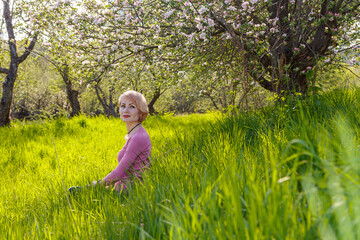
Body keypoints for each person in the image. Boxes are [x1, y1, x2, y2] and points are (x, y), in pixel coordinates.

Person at [69, 90, 151, 194]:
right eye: (123, 106)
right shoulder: (135, 133)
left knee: (87, 194)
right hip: (124, 183)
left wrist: (94, 186)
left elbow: (119, 172)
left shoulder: (138, 137)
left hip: (132, 187)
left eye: (132, 107)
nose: (125, 110)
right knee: (81, 193)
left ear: (141, 111)